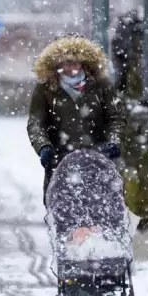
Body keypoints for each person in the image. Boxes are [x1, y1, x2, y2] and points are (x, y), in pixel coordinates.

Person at [27, 35, 125, 204]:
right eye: (66, 62)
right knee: (63, 214)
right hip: (60, 161)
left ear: (84, 63)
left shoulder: (102, 85)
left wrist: (113, 141)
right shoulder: (45, 88)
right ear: (57, 64)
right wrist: (43, 146)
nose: (71, 67)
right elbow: (36, 123)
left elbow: (114, 118)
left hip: (97, 160)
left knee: (98, 212)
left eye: (75, 62)